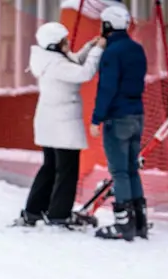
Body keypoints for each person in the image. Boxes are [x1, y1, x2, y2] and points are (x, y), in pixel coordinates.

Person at [15, 22, 106, 229]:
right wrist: (99, 49)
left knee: (50, 167)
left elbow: (74, 62)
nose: (68, 43)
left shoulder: (49, 59)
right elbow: (84, 73)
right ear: (55, 45)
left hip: (50, 123)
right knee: (67, 170)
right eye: (64, 41)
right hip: (62, 124)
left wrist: (89, 47)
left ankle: (34, 210)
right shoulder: (56, 65)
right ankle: (59, 214)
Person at [89, 3, 149, 241]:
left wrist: (97, 118)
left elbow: (107, 87)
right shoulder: (137, 49)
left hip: (118, 117)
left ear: (107, 25)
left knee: (119, 171)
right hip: (137, 114)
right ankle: (140, 223)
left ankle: (124, 225)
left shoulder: (111, 53)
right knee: (132, 169)